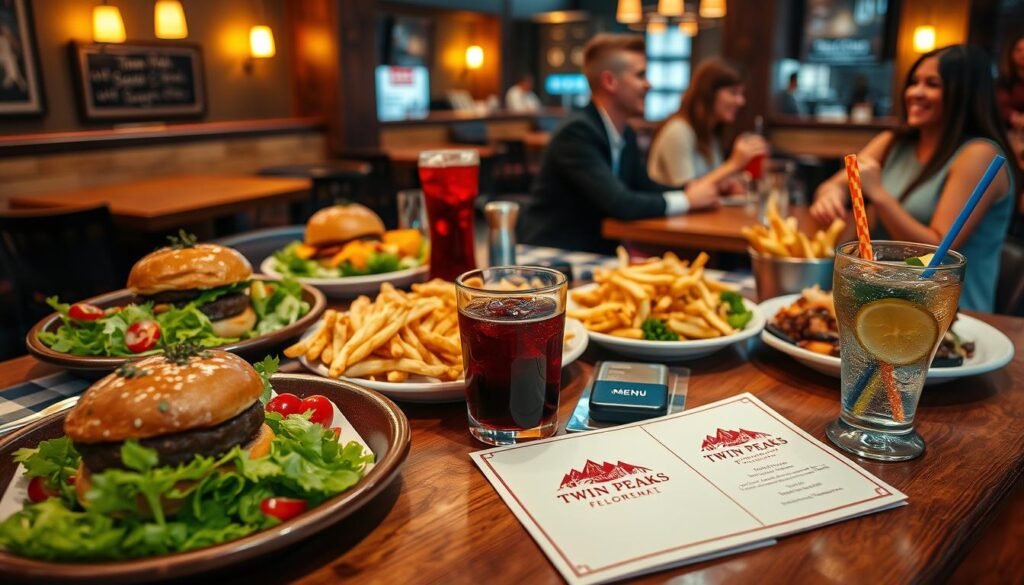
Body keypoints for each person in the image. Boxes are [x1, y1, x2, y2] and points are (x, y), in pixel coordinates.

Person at [811, 45, 1019, 312]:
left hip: (950, 315)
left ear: (964, 94)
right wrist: (830, 194)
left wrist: (880, 195)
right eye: (914, 82)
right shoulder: (893, 142)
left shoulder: (979, 155)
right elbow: (836, 184)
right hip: (883, 302)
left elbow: (937, 252)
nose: (914, 92)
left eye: (932, 84)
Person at [518, 34, 718, 255]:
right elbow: (621, 203)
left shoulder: (625, 134)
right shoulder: (577, 132)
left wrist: (693, 191)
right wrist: (687, 200)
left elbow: (644, 187)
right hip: (550, 258)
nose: (648, 84)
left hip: (593, 254)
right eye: (640, 75)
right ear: (610, 81)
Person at [646, 58, 768, 191]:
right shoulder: (678, 131)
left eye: (741, 94)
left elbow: (710, 182)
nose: (741, 101)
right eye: (733, 92)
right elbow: (688, 193)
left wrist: (729, 184)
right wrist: (734, 163)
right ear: (708, 93)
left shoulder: (710, 133)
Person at [997, 33, 1024, 166]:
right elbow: (1000, 105)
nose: (1022, 54)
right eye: (1018, 50)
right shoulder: (1004, 81)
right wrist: (1013, 116)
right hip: (1007, 133)